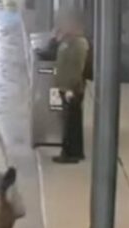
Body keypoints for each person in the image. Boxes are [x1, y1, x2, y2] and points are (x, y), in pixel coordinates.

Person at [51, 11, 89, 164]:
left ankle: (69, 153)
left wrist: (71, 89)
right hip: (66, 87)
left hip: (71, 88)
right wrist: (57, 38)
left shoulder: (79, 44)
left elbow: (76, 68)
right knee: (71, 120)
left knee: (70, 123)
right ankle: (75, 151)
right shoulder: (69, 41)